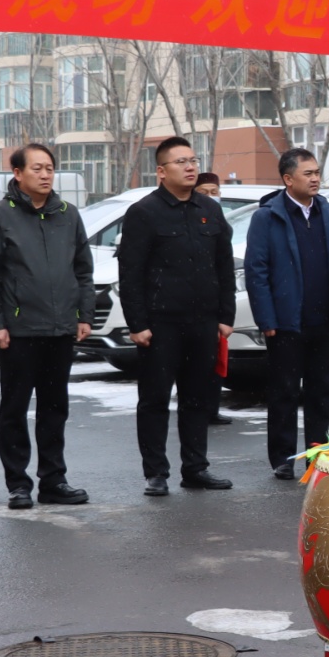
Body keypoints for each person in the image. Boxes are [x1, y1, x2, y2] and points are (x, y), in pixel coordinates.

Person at [0, 143, 94, 510]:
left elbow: (83, 271)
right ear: (18, 174)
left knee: (55, 408)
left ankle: (54, 480)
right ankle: (18, 484)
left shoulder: (68, 214)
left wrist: (84, 315)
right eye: (37, 168)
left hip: (60, 329)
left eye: (50, 169)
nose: (45, 175)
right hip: (19, 331)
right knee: (15, 409)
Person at [117, 136, 236, 497]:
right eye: (181, 161)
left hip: (203, 322)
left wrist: (225, 316)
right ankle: (156, 472)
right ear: (161, 171)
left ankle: (195, 468)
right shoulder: (144, 212)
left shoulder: (209, 209)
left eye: (193, 160)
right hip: (161, 324)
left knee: (197, 398)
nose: (190, 167)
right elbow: (131, 273)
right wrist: (137, 324)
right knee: (154, 399)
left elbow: (224, 266)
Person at [244, 148, 329, 481]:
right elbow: (256, 270)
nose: (315, 178)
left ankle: (317, 453)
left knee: (321, 390)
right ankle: (283, 457)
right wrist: (267, 318)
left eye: (317, 172)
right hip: (286, 321)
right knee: (285, 391)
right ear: (288, 179)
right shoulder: (268, 216)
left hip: (324, 318)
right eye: (308, 173)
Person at [193, 169, 234, 426]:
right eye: (204, 193)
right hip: (196, 304)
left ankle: (212, 407)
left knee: (218, 358)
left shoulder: (220, 221)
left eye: (214, 193)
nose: (210, 197)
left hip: (217, 302)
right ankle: (200, 408)